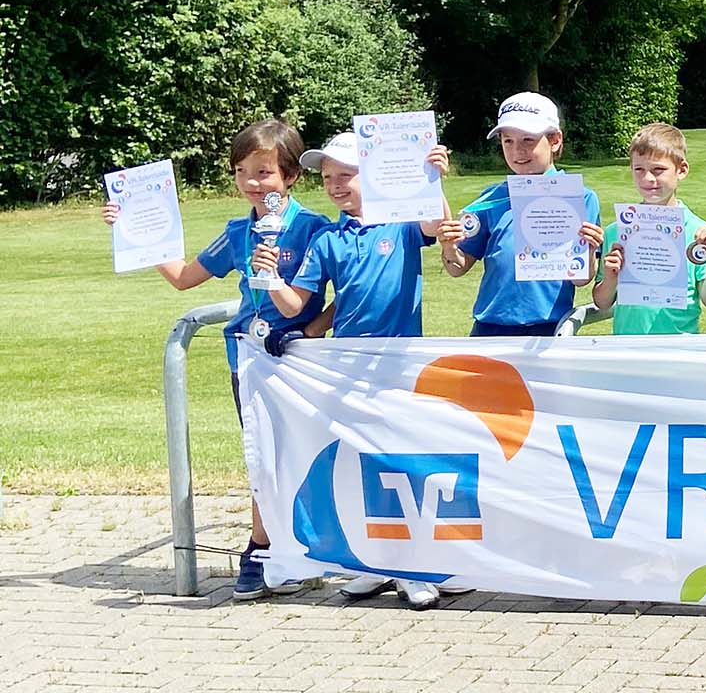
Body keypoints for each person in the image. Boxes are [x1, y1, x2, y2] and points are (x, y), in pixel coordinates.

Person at [101, 118, 331, 600]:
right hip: (248, 359)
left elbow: (345, 289)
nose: (252, 183)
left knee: (303, 455)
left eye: (264, 172)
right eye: (242, 171)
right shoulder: (237, 232)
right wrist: (133, 229)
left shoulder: (314, 228)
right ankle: (262, 549)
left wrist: (311, 326)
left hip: (301, 359)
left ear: (291, 175)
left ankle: (301, 548)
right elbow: (184, 277)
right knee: (261, 456)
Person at [254, 132, 466, 609]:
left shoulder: (401, 224)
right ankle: (375, 562)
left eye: (346, 175)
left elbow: (435, 225)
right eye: (328, 177)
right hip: (348, 367)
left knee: (401, 463)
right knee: (363, 464)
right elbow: (296, 303)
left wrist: (432, 179)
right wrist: (269, 276)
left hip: (399, 365)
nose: (335, 184)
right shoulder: (328, 239)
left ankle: (414, 565)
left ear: (373, 176)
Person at [444, 92, 602, 336]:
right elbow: (457, 267)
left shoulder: (580, 198)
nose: (517, 151)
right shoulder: (491, 199)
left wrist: (589, 250)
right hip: (489, 328)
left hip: (548, 328)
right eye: (508, 141)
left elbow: (580, 279)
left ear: (555, 140)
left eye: (528, 140)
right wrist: (449, 246)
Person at [592, 123, 706, 334]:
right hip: (627, 345)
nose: (648, 178)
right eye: (639, 169)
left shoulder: (699, 233)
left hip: (678, 345)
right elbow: (602, 302)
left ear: (681, 170)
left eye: (658, 170)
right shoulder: (616, 232)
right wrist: (611, 277)